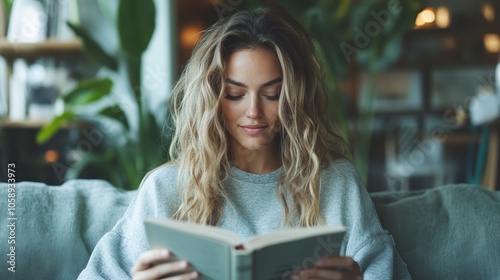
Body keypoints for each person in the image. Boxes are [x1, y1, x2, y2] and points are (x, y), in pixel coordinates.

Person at [79, 5, 410, 280]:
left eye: (272, 94)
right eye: (235, 94)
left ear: (295, 98)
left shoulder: (337, 184)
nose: (253, 112)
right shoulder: (166, 189)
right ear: (212, 98)